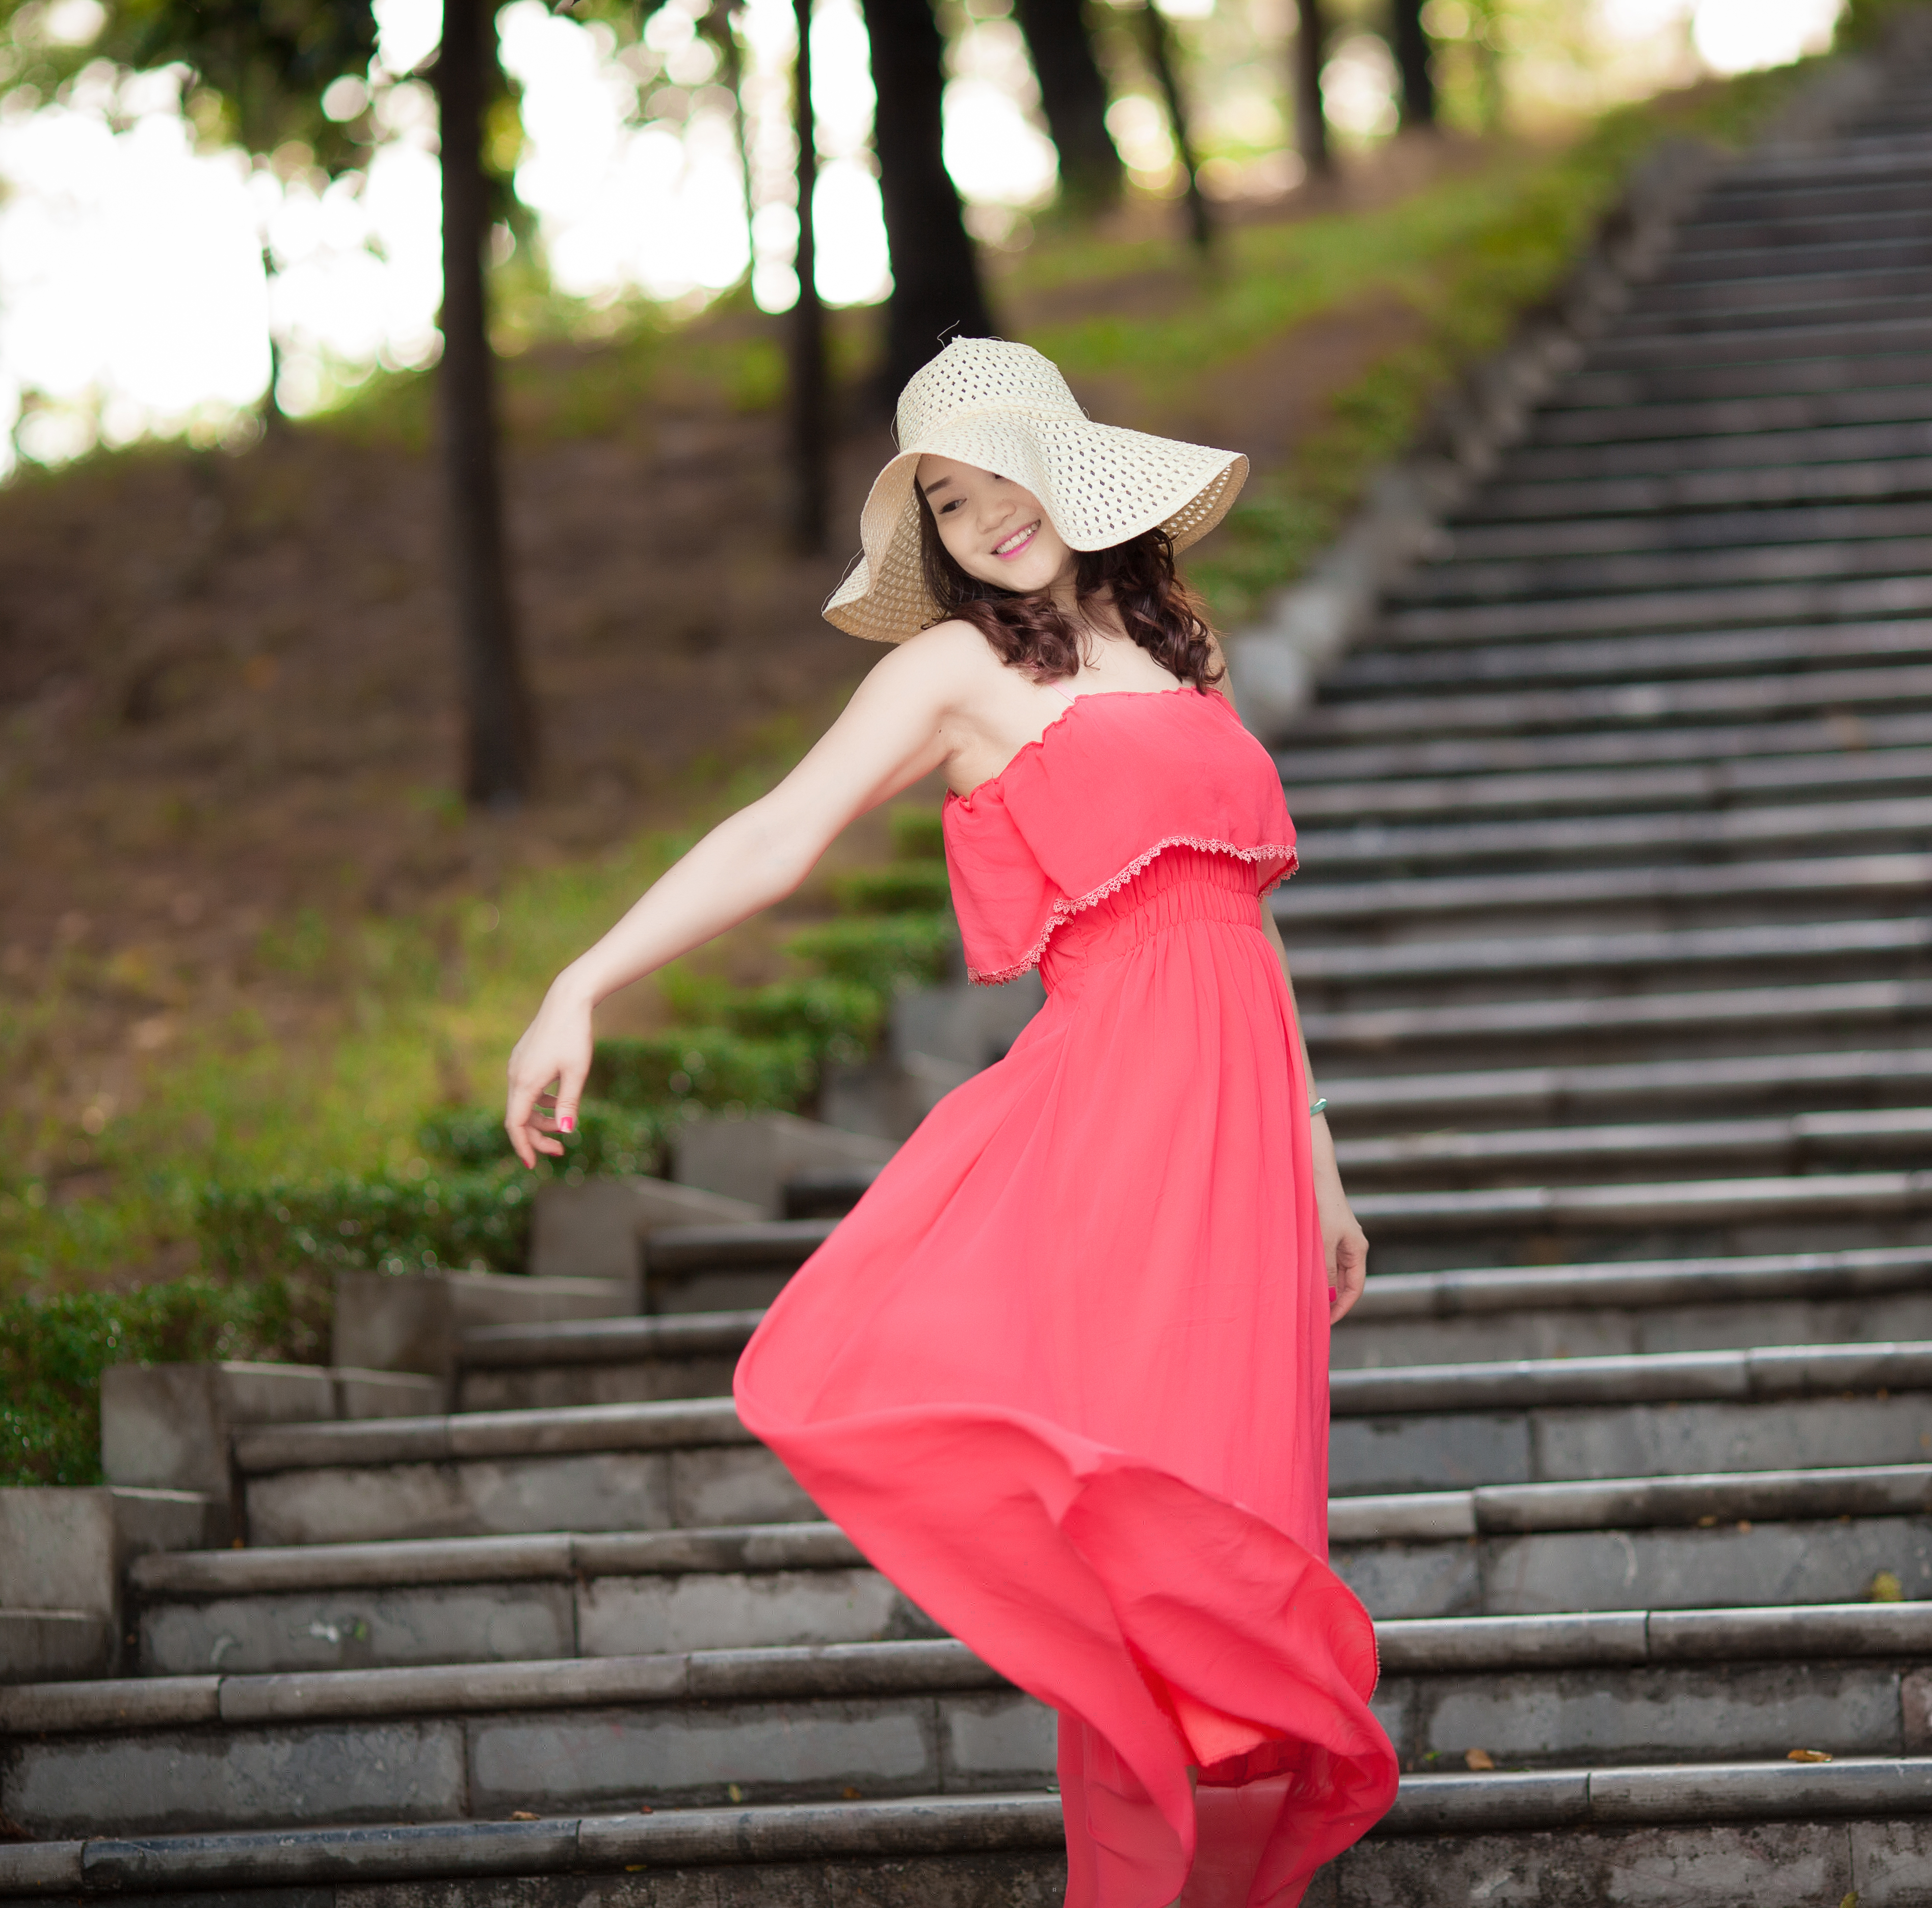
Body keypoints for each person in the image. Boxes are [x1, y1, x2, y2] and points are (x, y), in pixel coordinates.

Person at [504, 338, 1399, 1908]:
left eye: (1003, 475)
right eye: (948, 496)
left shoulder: (1184, 655)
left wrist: (1316, 1158)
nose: (987, 515)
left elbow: (1245, 929)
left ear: (1071, 466)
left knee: (1252, 1530)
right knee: (1146, 1553)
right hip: (1115, 1134)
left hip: (1247, 1148)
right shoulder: (949, 675)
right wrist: (585, 979)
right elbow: (780, 830)